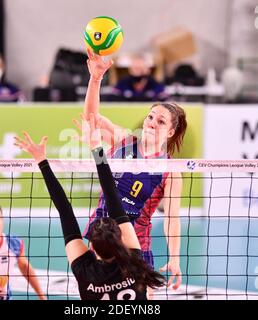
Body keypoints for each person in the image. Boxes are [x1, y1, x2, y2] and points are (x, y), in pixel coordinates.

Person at [14, 117, 166, 300]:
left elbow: (65, 209)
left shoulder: (87, 269)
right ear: (121, 239)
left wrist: (41, 161)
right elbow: (107, 196)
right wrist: (96, 147)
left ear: (91, 246)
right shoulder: (134, 261)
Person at [74, 49, 187, 292]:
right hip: (104, 238)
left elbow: (172, 218)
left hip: (137, 247)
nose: (151, 123)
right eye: (150, 117)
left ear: (170, 132)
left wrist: (175, 257)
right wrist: (95, 79)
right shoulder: (124, 140)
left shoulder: (170, 171)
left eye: (160, 121)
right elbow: (90, 119)